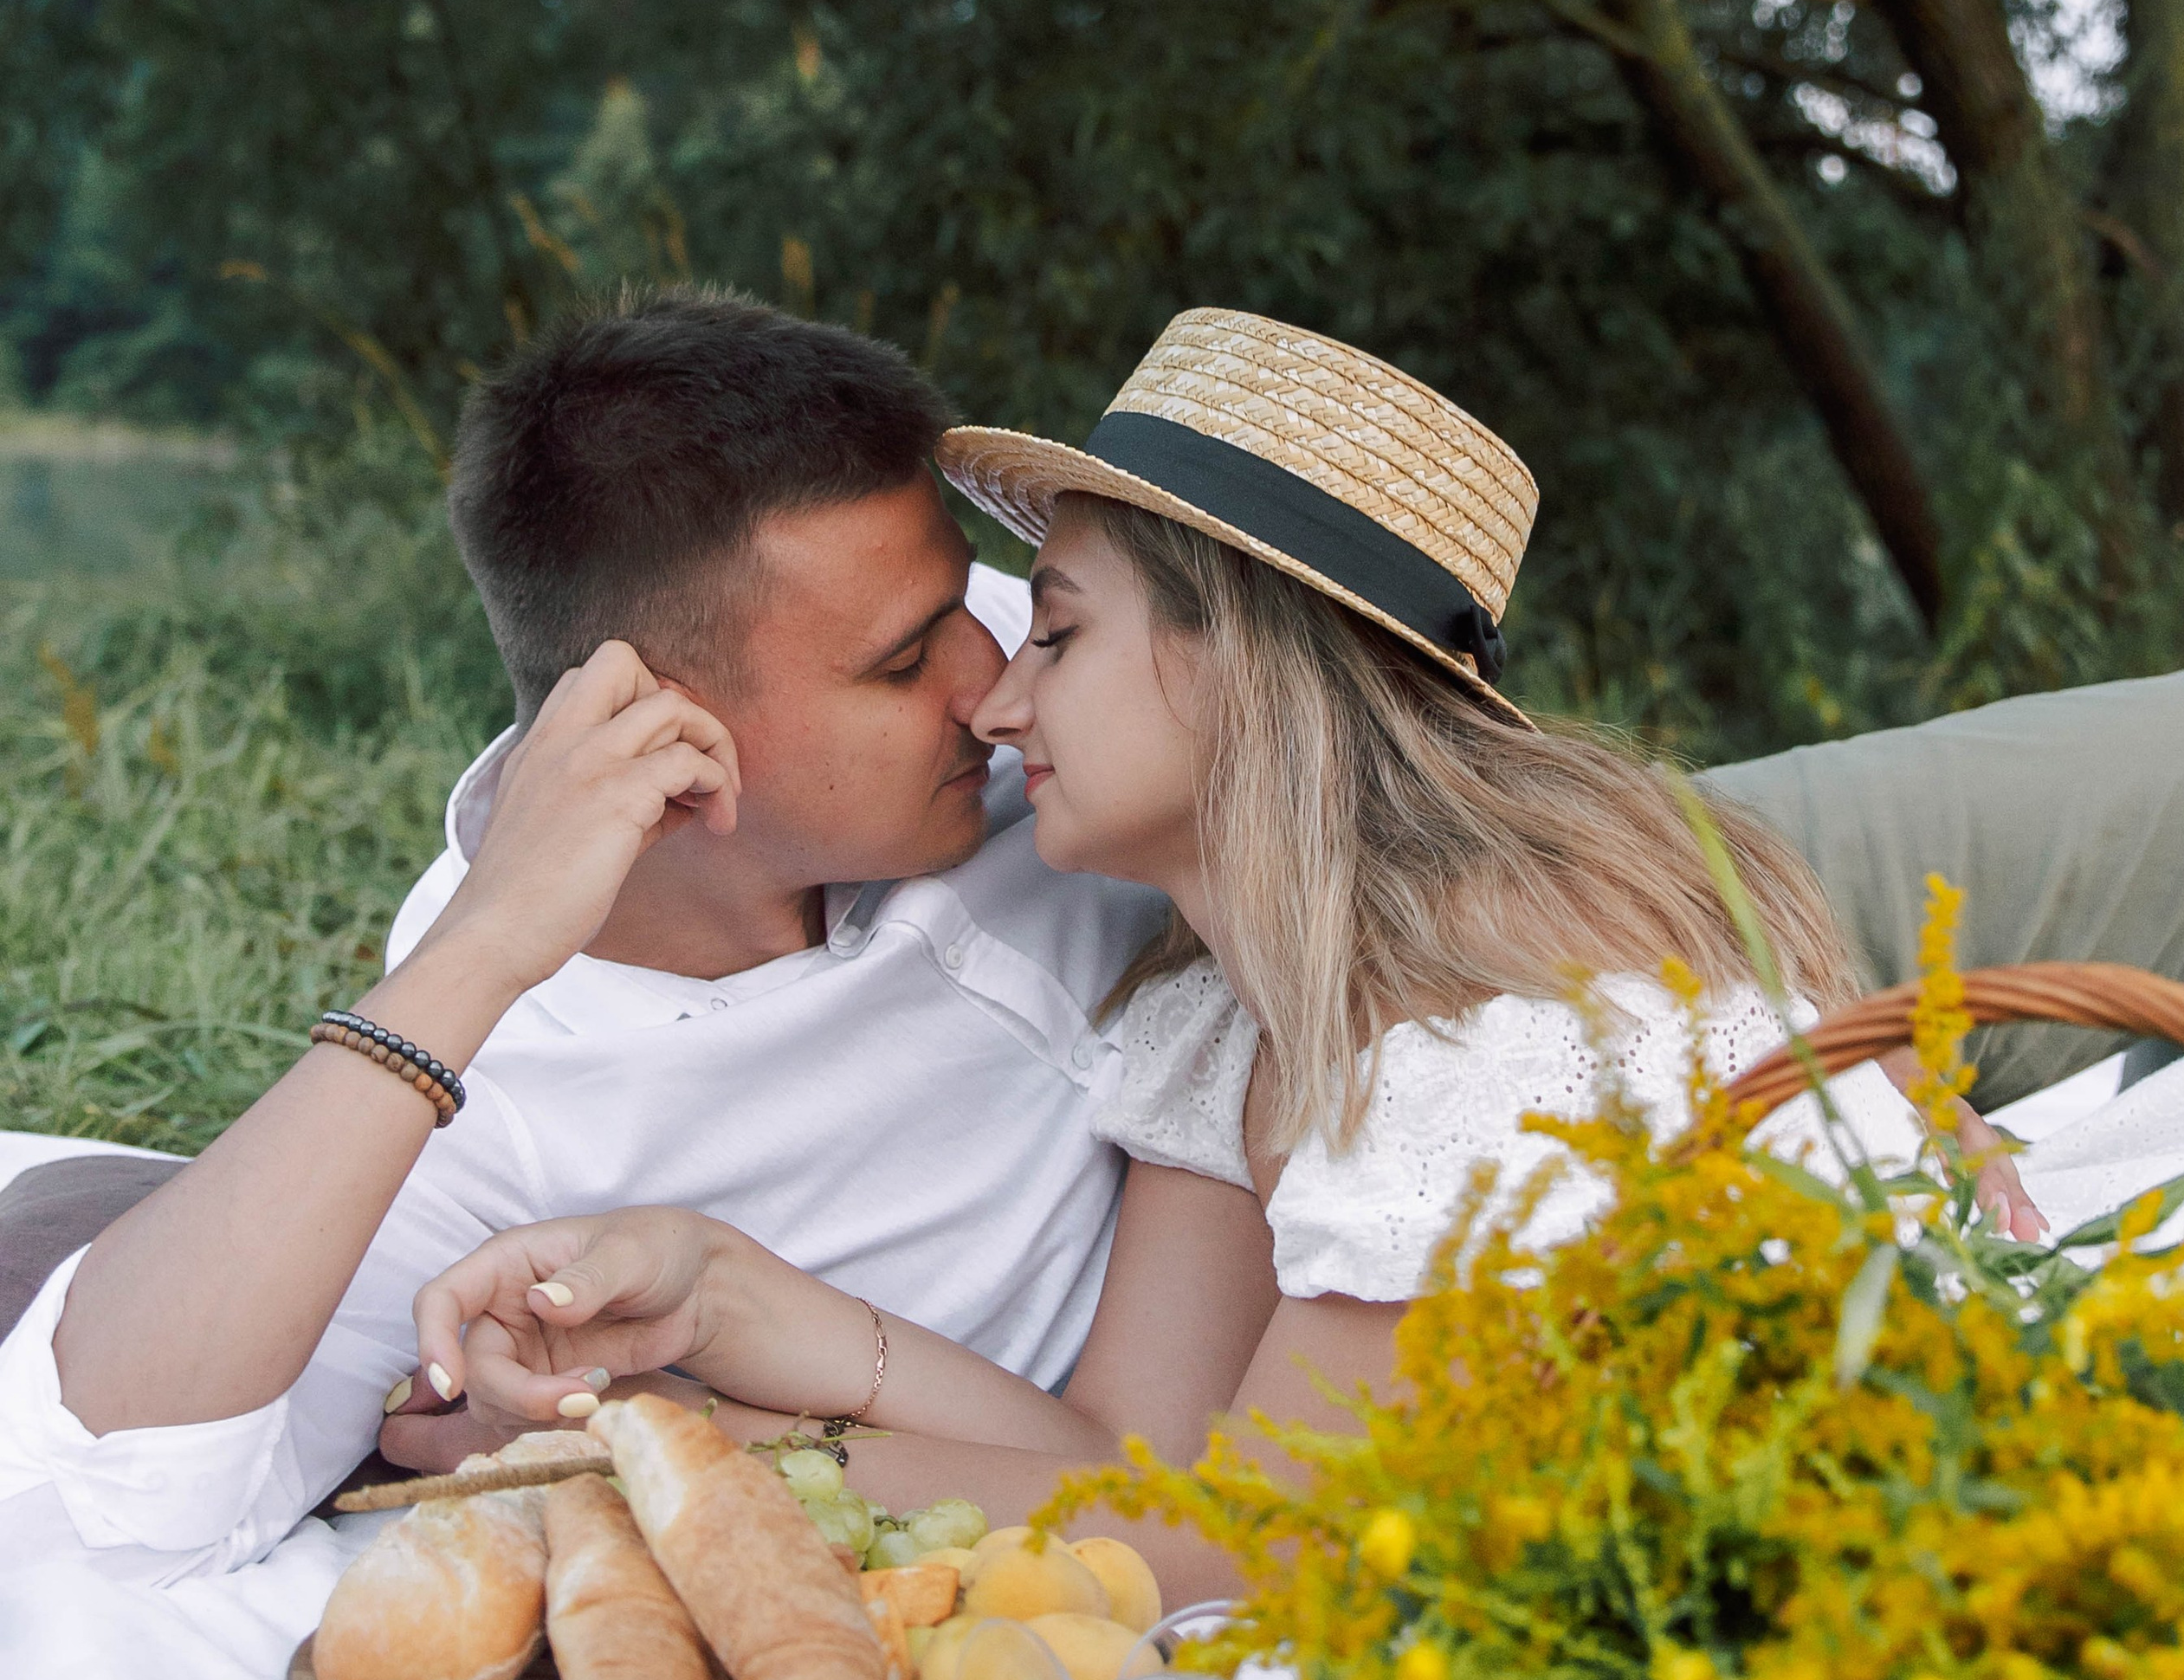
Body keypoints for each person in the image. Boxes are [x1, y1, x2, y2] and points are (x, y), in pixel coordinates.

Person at [396, 310, 1976, 1601]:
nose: (1000, 701)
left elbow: (1249, 1553)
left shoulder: (1477, 1051)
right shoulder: (1222, 1018)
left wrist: (670, 1451)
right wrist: (730, 1299)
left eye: (1057, 633)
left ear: (1246, 674)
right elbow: (1129, 1465)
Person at [0, 293, 1267, 1573]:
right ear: (662, 734)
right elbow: (89, 1493)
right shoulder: (492, 1074)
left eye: (982, 610)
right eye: (900, 667)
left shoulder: (1015, 686)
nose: (994, 689)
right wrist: (483, 947)